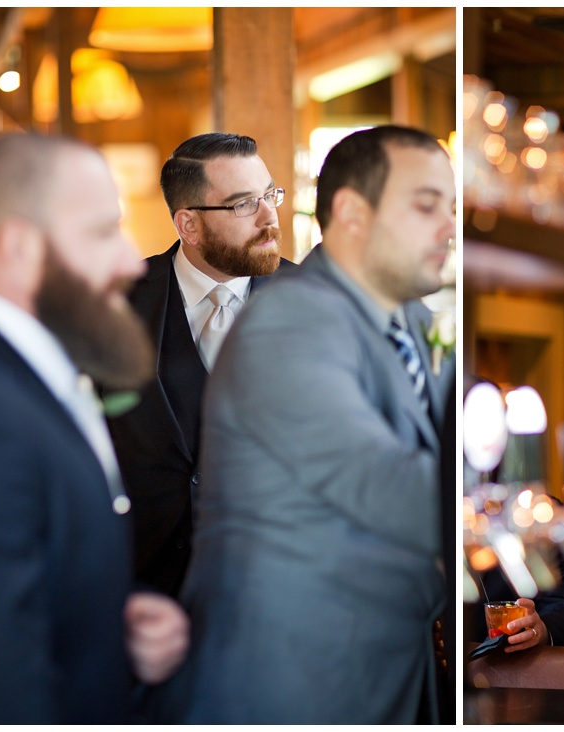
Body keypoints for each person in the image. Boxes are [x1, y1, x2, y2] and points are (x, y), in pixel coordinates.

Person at [157, 126, 456, 723]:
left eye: (454, 208)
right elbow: (394, 492)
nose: (449, 228)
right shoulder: (287, 323)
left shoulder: (416, 321)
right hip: (294, 684)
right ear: (350, 212)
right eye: (427, 207)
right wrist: (520, 509)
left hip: (396, 673)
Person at [0, 134, 189, 723]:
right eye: (102, 233)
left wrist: (112, 620)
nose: (130, 261)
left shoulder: (34, 373)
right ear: (19, 246)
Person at [106, 132, 296, 597]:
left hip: (276, 596)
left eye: (270, 195)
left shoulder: (318, 303)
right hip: (141, 593)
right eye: (243, 205)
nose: (270, 217)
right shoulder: (115, 304)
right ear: (188, 225)